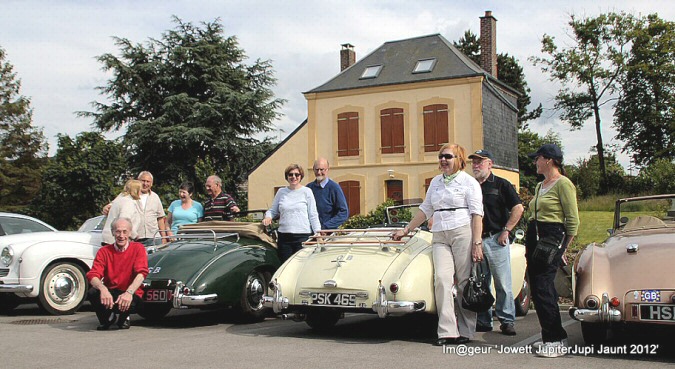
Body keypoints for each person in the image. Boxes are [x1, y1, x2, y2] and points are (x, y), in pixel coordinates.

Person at [393, 143, 483, 346]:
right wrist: (406, 230)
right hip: (440, 233)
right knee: (441, 280)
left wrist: (477, 242)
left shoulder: (469, 183)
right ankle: (447, 331)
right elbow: (425, 209)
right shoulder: (435, 182)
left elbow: (477, 215)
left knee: (463, 282)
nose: (443, 160)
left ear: (458, 160)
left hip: (462, 231)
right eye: (441, 156)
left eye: (448, 156)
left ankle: (467, 330)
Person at [526, 144, 579, 358]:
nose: (534, 162)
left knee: (544, 287)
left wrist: (562, 247)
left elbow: (573, 220)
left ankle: (557, 340)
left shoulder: (563, 184)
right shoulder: (541, 186)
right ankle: (550, 336)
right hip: (535, 234)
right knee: (537, 289)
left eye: (537, 158)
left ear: (548, 160)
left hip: (551, 235)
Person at [469, 149, 524, 336]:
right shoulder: (469, 186)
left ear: (490, 164)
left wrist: (507, 230)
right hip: (475, 241)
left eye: (480, 162)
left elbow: (518, 208)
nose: (476, 165)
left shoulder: (501, 184)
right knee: (480, 284)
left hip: (495, 239)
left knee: (502, 283)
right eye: (474, 162)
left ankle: (507, 320)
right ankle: (484, 320)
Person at [86, 217, 149, 330]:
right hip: (112, 292)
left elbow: (142, 273)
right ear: (113, 233)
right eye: (118, 231)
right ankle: (108, 317)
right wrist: (103, 289)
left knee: (133, 302)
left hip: (131, 292)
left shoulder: (138, 248)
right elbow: (93, 275)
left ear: (130, 233)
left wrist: (129, 292)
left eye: (125, 231)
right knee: (92, 292)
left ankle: (124, 317)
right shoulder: (104, 251)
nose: (121, 235)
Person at [263, 164, 321, 262]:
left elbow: (313, 215)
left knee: (300, 266)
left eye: (296, 175)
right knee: (285, 266)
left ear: (300, 176)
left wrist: (318, 234)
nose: (293, 177)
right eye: (291, 174)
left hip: (302, 236)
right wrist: (268, 217)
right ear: (287, 176)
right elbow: (273, 210)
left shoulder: (307, 192)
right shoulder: (281, 192)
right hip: (284, 237)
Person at [103, 171, 168, 243]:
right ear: (138, 181)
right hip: (135, 238)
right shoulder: (126, 196)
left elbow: (160, 218)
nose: (145, 184)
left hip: (153, 236)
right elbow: (115, 206)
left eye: (148, 181)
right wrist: (107, 207)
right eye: (143, 181)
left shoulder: (155, 197)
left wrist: (164, 237)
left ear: (151, 183)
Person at [306, 158, 349, 229]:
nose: (319, 172)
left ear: (327, 169)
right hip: (309, 232)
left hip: (327, 233)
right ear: (313, 169)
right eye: (317, 169)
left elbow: (343, 212)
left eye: (322, 169)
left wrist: (326, 227)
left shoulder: (334, 188)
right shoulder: (308, 188)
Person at [101, 179, 143, 245]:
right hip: (116, 240)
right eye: (140, 190)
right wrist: (135, 236)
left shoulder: (119, 200)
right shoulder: (128, 202)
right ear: (136, 191)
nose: (141, 193)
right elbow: (124, 222)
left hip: (109, 238)